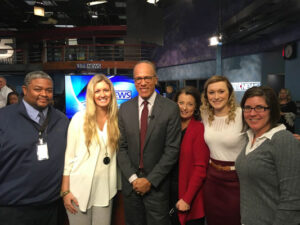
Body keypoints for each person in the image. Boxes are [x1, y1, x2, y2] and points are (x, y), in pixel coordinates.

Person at [0, 71, 69, 225]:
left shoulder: (62, 120)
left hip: (51, 208)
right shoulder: (3, 119)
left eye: (49, 90)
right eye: (38, 89)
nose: (44, 94)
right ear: (25, 90)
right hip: (12, 209)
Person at [117, 60, 181, 225]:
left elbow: (172, 150)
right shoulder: (124, 109)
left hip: (157, 187)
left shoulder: (170, 108)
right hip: (131, 187)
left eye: (147, 77)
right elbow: (120, 148)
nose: (142, 82)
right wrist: (133, 179)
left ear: (155, 79)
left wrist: (150, 181)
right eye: (138, 78)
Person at [236, 86, 300, 225]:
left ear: (272, 110)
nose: (252, 113)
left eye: (260, 107)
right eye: (247, 108)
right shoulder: (249, 137)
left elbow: (293, 200)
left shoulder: (283, 140)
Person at [62, 74, 120, 225]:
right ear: (91, 95)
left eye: (106, 90)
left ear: (111, 93)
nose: (102, 94)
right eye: (97, 91)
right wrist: (65, 191)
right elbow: (69, 158)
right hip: (78, 189)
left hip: (105, 189)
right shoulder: (78, 119)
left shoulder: (118, 120)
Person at [200, 75, 246, 225]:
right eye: (211, 92)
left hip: (237, 180)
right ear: (206, 95)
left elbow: (264, 134)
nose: (216, 96)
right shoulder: (205, 115)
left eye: (221, 91)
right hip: (212, 179)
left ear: (229, 93)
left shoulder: (243, 115)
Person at [171, 86, 209, 225]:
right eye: (181, 103)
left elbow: (200, 169)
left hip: (189, 196)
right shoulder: (170, 126)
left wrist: (187, 198)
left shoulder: (199, 129)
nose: (184, 108)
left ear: (196, 107)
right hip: (169, 193)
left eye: (190, 104)